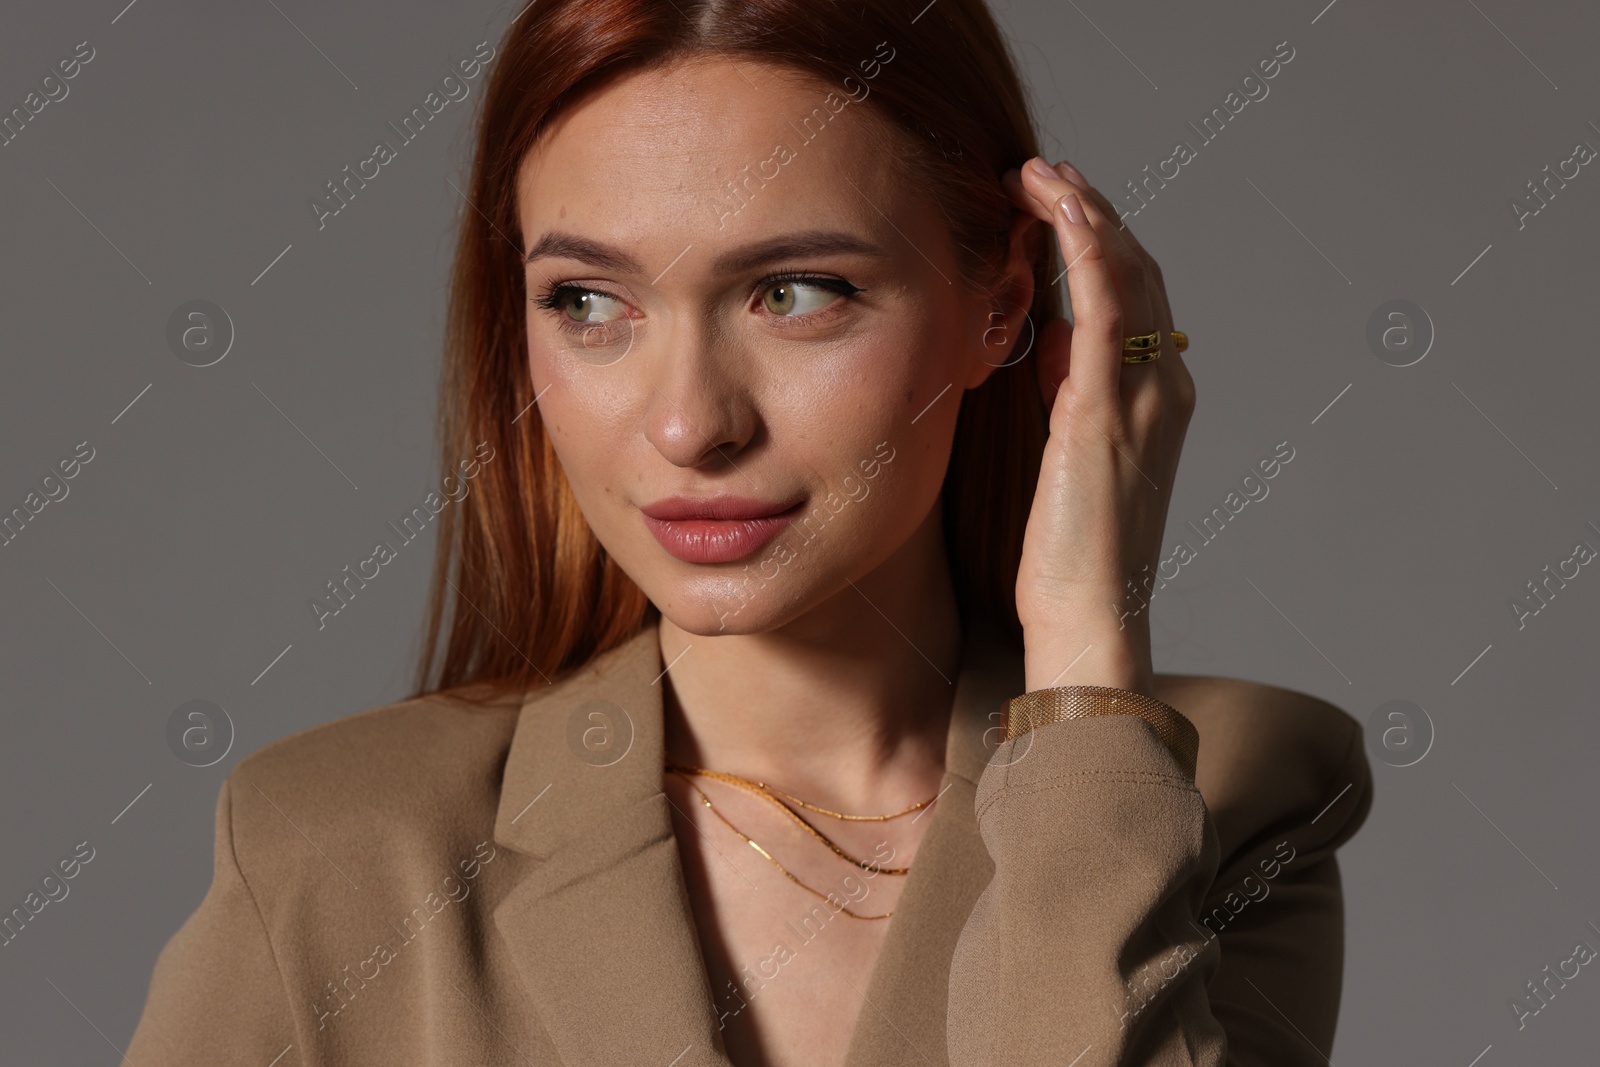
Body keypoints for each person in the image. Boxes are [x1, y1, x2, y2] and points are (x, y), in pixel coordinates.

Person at [125, 1, 1372, 1064]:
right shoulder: (336, 852)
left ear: (999, 304)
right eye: (589, 301)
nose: (687, 423)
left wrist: (1090, 642)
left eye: (793, 292)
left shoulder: (1224, 800)